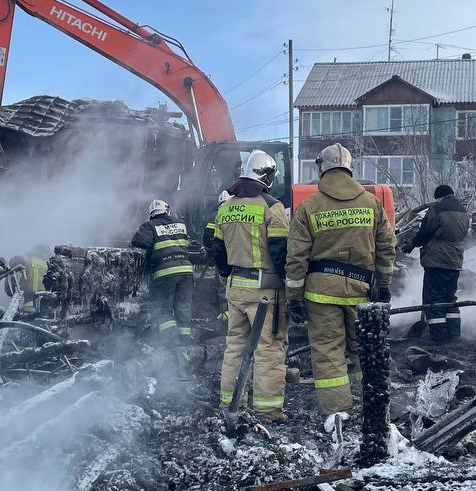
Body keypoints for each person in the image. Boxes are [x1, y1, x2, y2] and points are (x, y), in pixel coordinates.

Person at [286, 143, 397, 417]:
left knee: (328, 354)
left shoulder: (309, 206)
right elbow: (387, 247)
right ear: (349, 168)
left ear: (321, 168)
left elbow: (296, 256)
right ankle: (373, 407)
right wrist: (383, 284)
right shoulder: (371, 203)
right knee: (366, 351)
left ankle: (337, 413)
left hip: (320, 295)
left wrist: (294, 297)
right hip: (361, 292)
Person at [211, 150, 290, 420]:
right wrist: (287, 284)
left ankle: (230, 403)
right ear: (266, 176)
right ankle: (268, 410)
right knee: (268, 347)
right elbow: (281, 251)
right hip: (265, 290)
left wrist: (227, 277)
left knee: (235, 345)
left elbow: (217, 249)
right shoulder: (272, 207)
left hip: (235, 287)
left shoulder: (225, 207)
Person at [401, 184, 471, 341]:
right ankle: (454, 335)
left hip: (436, 260)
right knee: (449, 298)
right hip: (454, 260)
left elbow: (425, 232)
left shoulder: (437, 209)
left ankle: (438, 336)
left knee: (433, 299)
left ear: (439, 196)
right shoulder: (463, 211)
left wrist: (412, 243)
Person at [131, 199, 194, 345]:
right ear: (167, 210)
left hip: (166, 272)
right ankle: (185, 340)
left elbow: (139, 241)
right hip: (186, 271)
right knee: (183, 306)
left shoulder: (150, 225)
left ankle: (171, 341)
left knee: (163, 307)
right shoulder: (180, 224)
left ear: (152, 214)